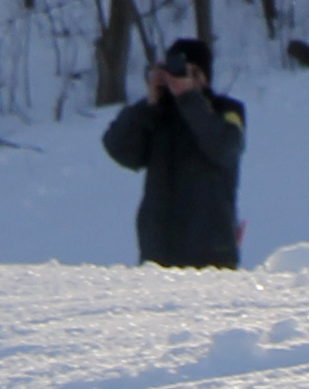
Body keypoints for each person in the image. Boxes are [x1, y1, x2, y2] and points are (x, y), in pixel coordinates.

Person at [100, 32, 247, 268]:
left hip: (211, 254)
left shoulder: (225, 110)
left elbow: (224, 148)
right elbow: (119, 149)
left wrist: (190, 98)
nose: (180, 78)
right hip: (159, 253)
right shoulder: (157, 114)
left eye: (190, 72)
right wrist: (148, 104)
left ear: (204, 77)